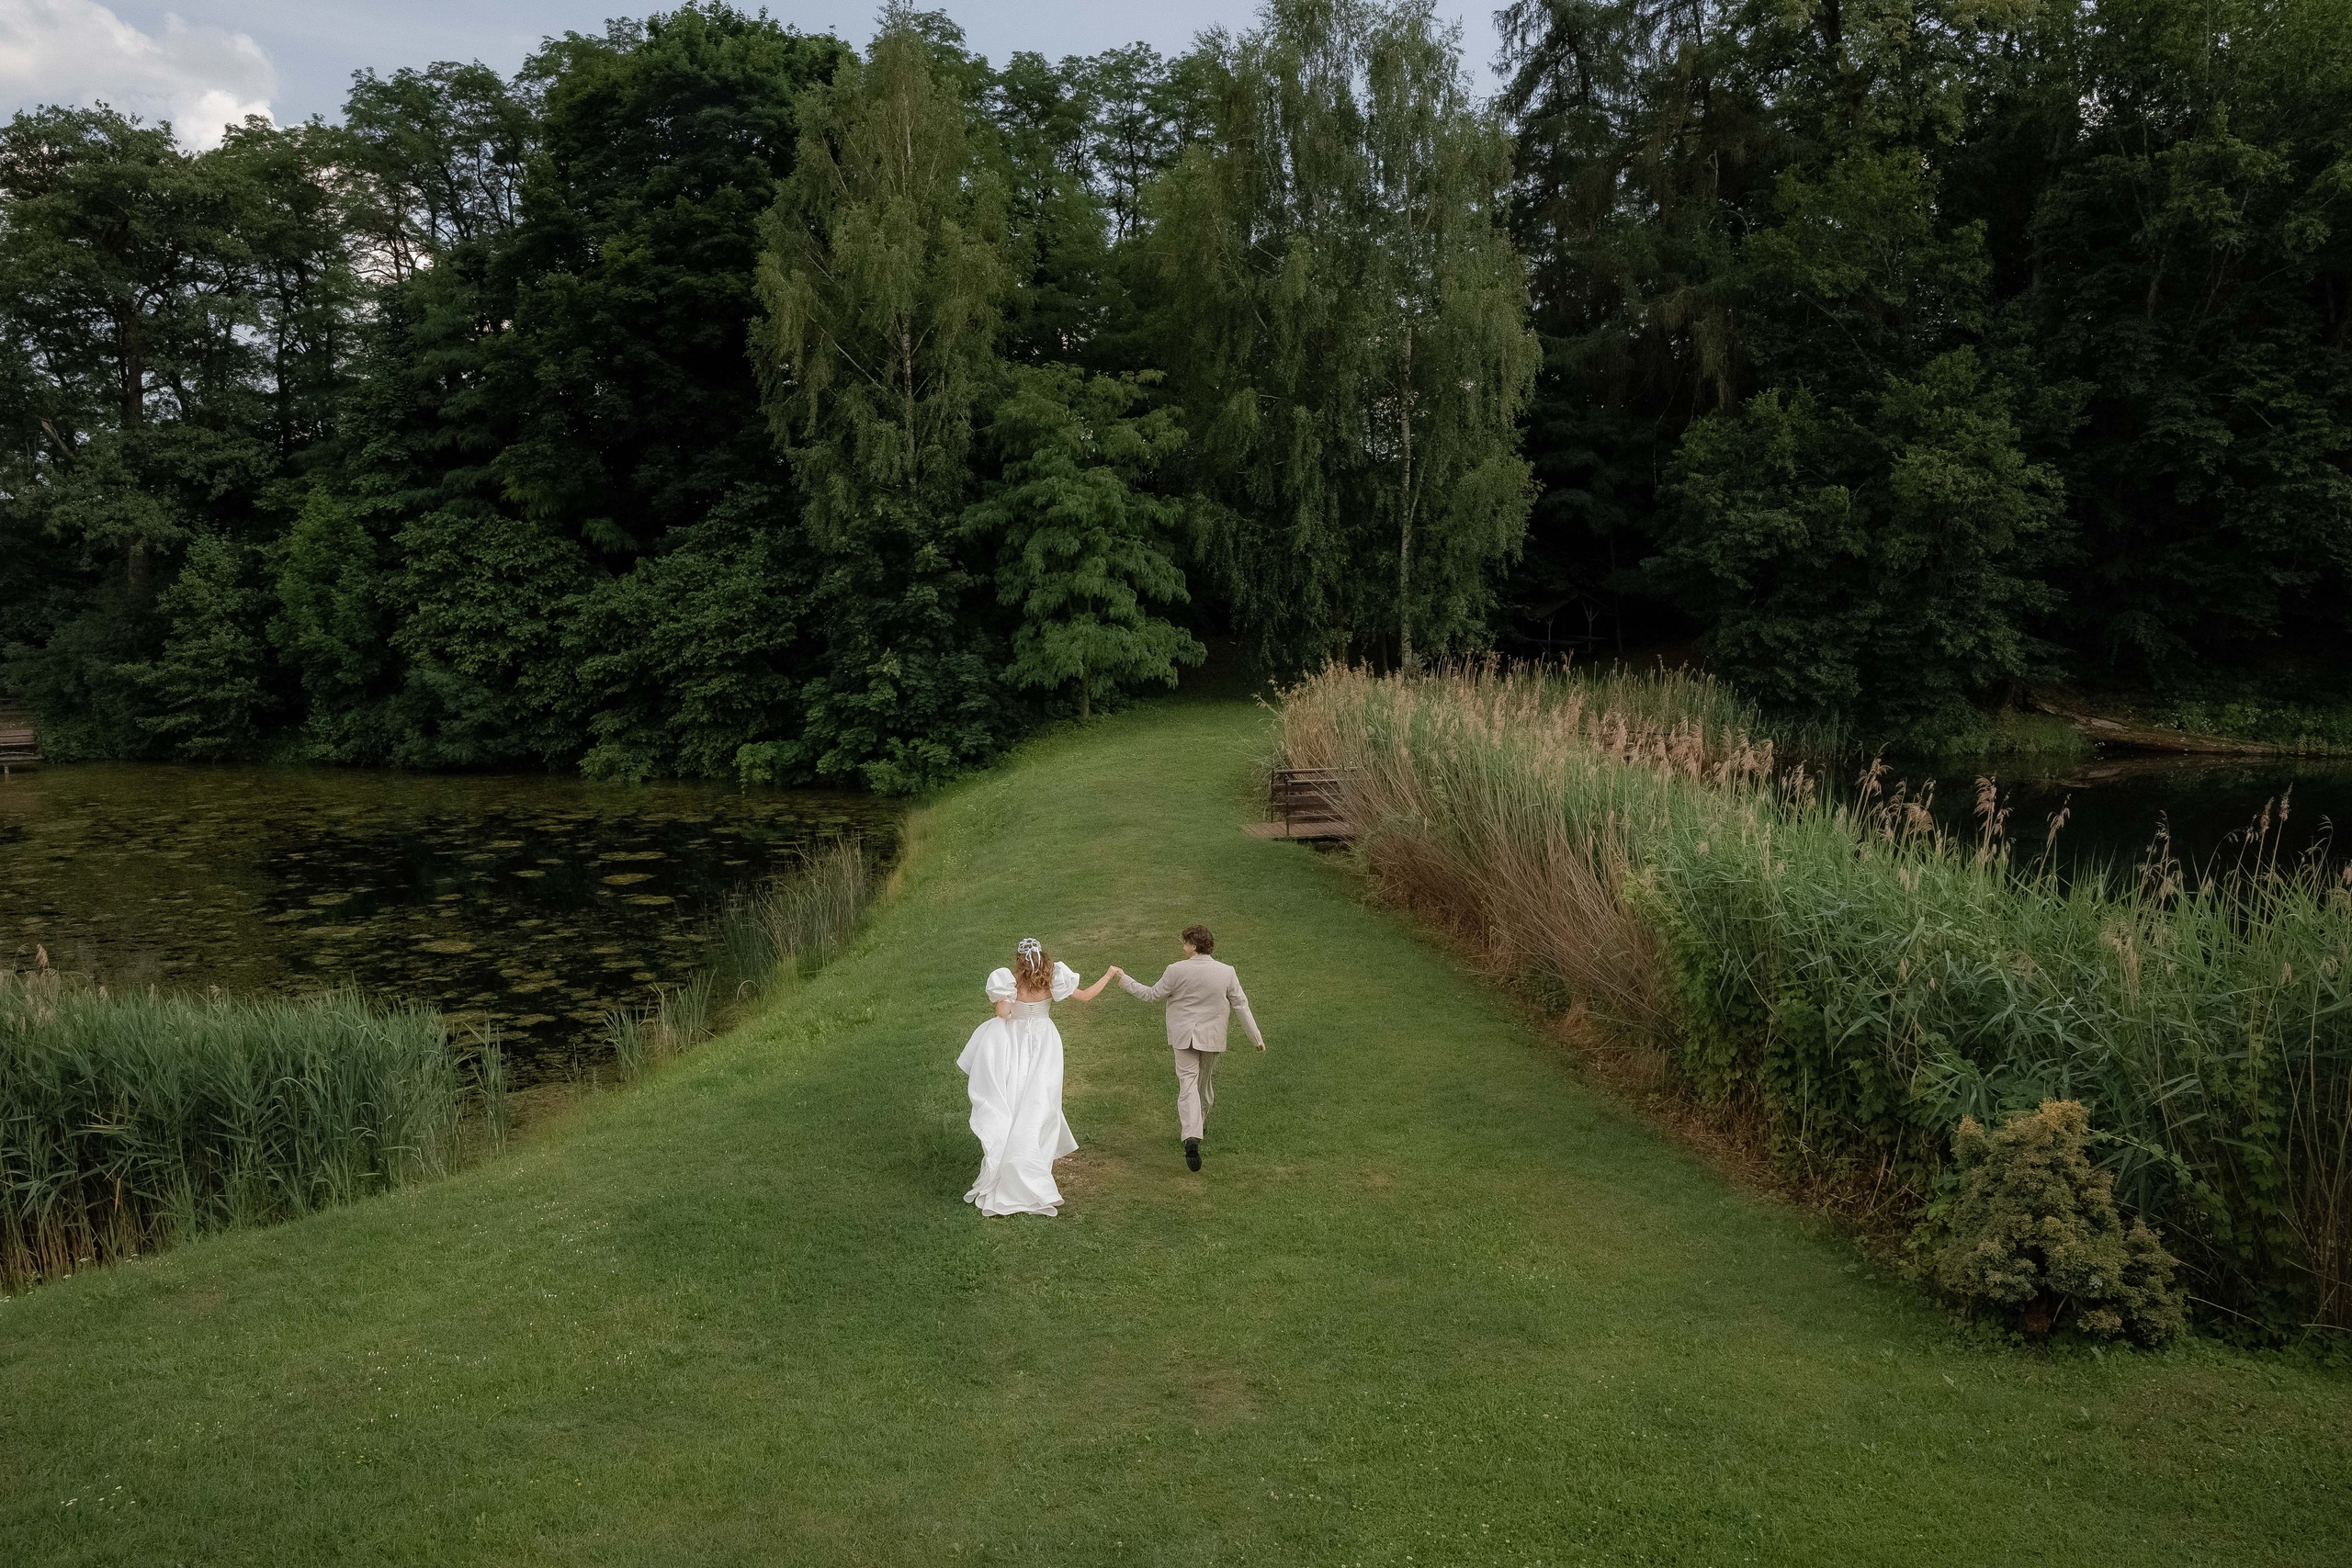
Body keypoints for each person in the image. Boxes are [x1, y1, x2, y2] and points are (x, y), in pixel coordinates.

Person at [956, 937, 1112, 1216]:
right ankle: (1034, 1171)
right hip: (1044, 1045)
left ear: (1018, 959)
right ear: (1043, 957)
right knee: (1040, 1105)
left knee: (1014, 1102)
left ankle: (1011, 1165)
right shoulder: (1052, 981)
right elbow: (1087, 995)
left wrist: (1006, 998)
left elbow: (1003, 1014)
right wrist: (1111, 974)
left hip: (1013, 1047)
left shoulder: (1010, 982)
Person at [1109, 924, 1266, 1171]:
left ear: (1193, 946)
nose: (1182, 947)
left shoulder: (1176, 970)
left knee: (1188, 1085)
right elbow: (1241, 1005)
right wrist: (1256, 1038)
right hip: (1212, 1038)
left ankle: (1193, 1131)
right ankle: (1196, 1129)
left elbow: (1151, 995)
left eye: (1184, 943)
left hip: (1183, 1037)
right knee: (1201, 1085)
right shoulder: (1226, 972)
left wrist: (1123, 978)